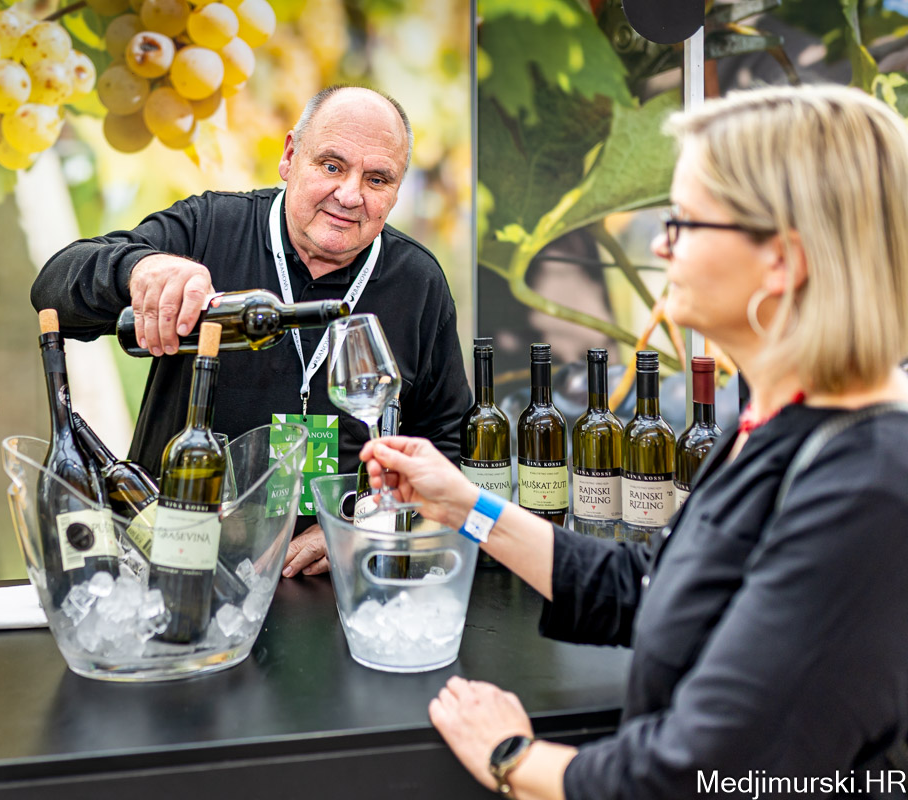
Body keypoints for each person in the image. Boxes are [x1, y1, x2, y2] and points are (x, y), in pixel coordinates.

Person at [361, 84, 908, 799]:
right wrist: (464, 506)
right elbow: (650, 588)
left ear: (782, 259)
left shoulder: (868, 484)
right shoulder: (778, 421)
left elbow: (693, 775)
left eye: (684, 222)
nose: (659, 243)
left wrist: (512, 758)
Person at [31, 86, 472, 578]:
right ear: (290, 156)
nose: (350, 196)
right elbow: (52, 291)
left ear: (397, 188)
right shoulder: (209, 228)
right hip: (170, 565)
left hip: (331, 587)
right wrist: (140, 270)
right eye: (331, 166)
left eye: (377, 179)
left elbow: (448, 445)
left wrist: (359, 527)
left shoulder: (418, 282)